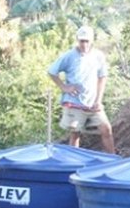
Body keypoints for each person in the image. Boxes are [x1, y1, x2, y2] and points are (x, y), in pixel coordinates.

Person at [48, 26, 115, 154]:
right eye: (82, 41)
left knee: (106, 129)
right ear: (78, 40)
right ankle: (72, 163)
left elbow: (102, 76)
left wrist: (98, 100)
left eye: (87, 41)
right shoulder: (69, 56)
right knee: (75, 133)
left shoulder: (98, 56)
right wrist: (64, 87)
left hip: (93, 103)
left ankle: (113, 159)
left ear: (92, 41)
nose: (84, 44)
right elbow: (52, 71)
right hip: (75, 101)